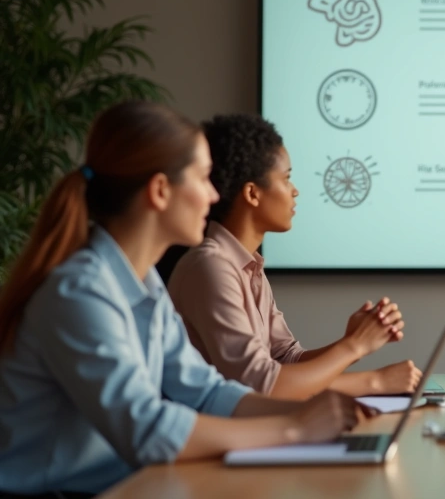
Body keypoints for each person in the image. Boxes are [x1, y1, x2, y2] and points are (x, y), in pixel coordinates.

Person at [0, 102, 367, 497]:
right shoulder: (78, 292)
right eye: (204, 178)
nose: (213, 195)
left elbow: (206, 392)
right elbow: (146, 430)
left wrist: (311, 411)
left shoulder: (146, 284)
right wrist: (294, 429)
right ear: (160, 190)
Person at [168, 114, 420, 399]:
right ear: (252, 193)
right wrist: (367, 370)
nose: (295, 190)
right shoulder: (210, 266)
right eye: (286, 179)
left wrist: (353, 341)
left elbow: (285, 358)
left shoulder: (247, 265)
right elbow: (263, 385)